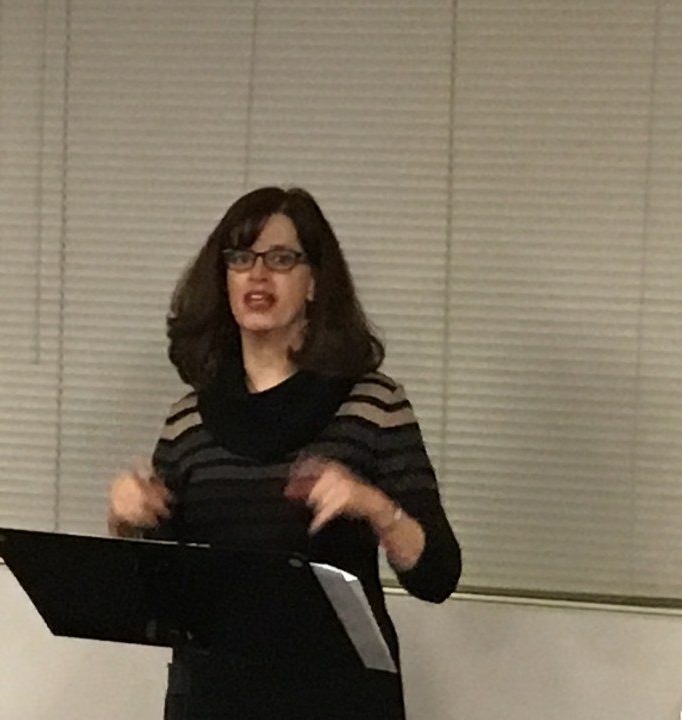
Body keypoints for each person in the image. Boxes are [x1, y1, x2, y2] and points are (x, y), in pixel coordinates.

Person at [107, 186, 461, 720]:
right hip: (214, 697)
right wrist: (124, 519)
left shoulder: (372, 404)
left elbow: (438, 575)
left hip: (337, 699)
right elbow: (160, 589)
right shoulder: (188, 419)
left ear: (314, 281)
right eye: (240, 258)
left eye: (280, 259)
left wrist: (374, 507)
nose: (257, 275)